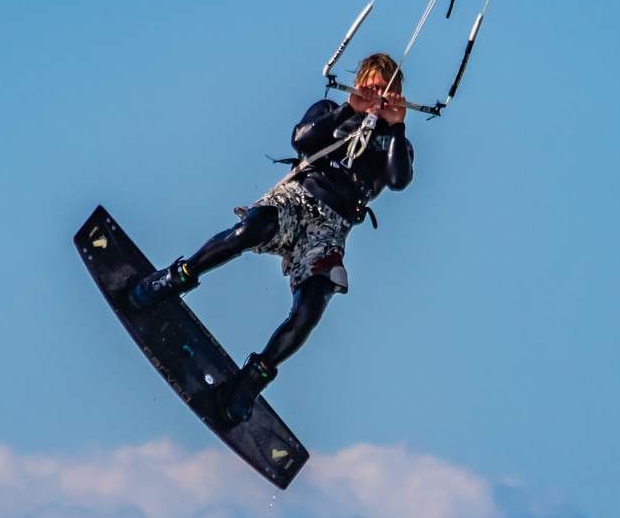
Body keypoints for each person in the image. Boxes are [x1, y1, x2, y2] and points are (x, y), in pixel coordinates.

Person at [127, 52, 415, 423]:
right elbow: (301, 138)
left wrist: (397, 126)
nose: (379, 93)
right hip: (298, 199)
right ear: (359, 82)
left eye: (387, 89)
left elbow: (398, 180)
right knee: (251, 230)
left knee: (311, 308)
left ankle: (251, 380)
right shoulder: (331, 109)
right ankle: (175, 277)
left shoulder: (397, 143)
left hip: (330, 229)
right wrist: (349, 110)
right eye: (372, 85)